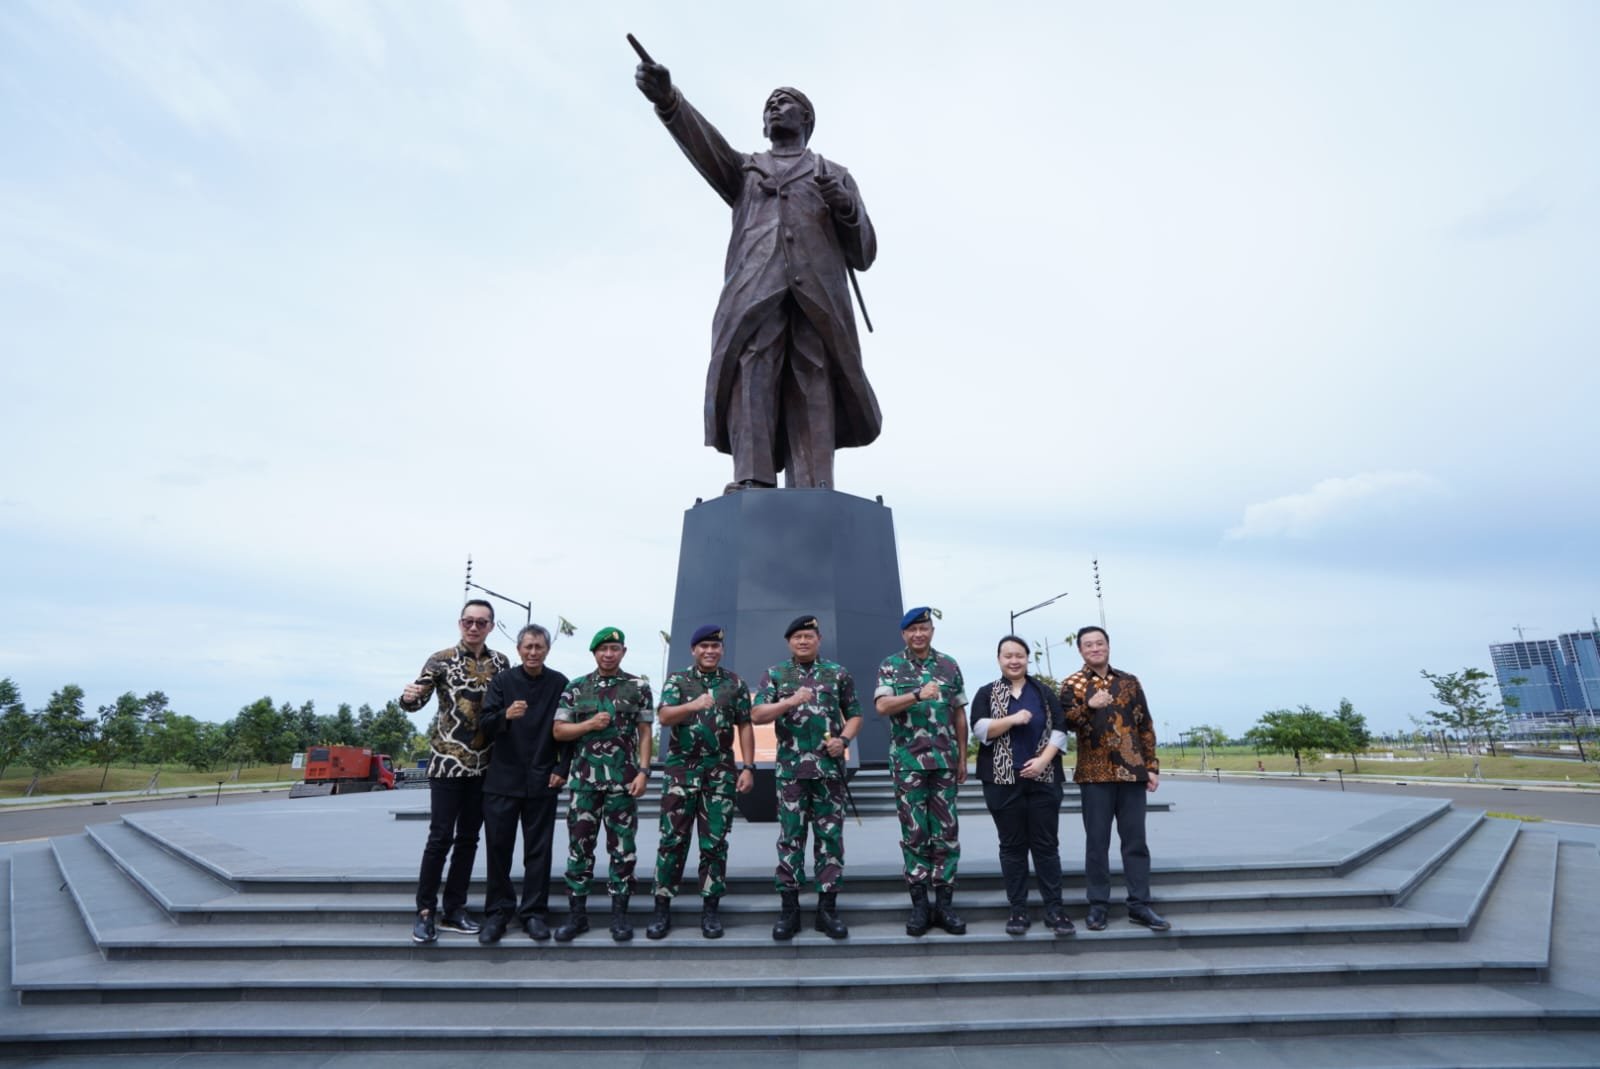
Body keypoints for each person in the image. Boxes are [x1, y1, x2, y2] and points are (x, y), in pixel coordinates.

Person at [635, 61, 880, 490]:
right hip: (755, 291)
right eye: (769, 104)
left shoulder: (834, 174)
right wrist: (669, 101)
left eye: (784, 102)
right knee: (753, 367)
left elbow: (864, 253)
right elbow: (704, 145)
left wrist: (845, 206)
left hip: (817, 298)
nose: (773, 107)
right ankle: (753, 478)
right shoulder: (746, 171)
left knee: (813, 373)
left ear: (806, 119)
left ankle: (813, 485)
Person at [399, 599, 510, 944]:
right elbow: (415, 702)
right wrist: (407, 697)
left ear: (491, 626)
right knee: (440, 838)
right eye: (468, 621)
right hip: (448, 761)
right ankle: (424, 911)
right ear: (460, 623)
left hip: (486, 763)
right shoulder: (441, 659)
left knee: (469, 840)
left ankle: (455, 908)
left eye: (481, 622)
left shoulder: (501, 662)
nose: (474, 627)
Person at [751, 615, 862, 939]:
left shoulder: (837, 674)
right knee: (790, 840)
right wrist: (789, 701)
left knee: (830, 842)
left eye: (808, 636)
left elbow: (855, 715)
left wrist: (843, 740)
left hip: (828, 773)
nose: (803, 641)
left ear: (819, 639)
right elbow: (757, 715)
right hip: (792, 774)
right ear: (789, 642)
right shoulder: (775, 674)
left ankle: (827, 910)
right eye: (797, 636)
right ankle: (790, 911)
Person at [647, 624, 756, 939]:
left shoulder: (734, 683)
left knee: (715, 843)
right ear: (693, 650)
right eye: (704, 646)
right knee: (672, 841)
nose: (710, 651)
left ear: (722, 650)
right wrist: (693, 705)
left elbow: (745, 726)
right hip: (681, 770)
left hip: (720, 771)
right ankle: (662, 908)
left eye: (715, 646)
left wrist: (748, 767)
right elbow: (665, 717)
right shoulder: (678, 681)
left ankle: (710, 910)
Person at [1060, 626, 1170, 932]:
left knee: (1135, 842)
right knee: (1097, 843)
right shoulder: (1073, 684)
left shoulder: (1129, 682)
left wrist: (1151, 766)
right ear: (1080, 650)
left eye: (1100, 643)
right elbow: (1065, 723)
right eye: (1088, 645)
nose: (1095, 649)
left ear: (1108, 646)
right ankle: (1098, 905)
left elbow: (1145, 725)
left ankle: (1139, 904)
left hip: (1131, 772)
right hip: (1094, 775)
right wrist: (1088, 706)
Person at [551, 628, 655, 942]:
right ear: (594, 653)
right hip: (584, 783)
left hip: (623, 782)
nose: (608, 654)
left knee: (623, 850)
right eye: (602, 649)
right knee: (579, 849)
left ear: (623, 651)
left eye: (614, 648)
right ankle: (577, 916)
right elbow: (558, 731)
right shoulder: (576, 687)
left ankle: (620, 916)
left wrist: (644, 772)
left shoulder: (638, 686)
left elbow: (646, 732)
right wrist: (588, 724)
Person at [970, 635, 1075, 936]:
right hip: (1002, 782)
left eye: (1019, 655)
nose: (1013, 660)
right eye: (1007, 656)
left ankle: (1056, 910)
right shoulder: (986, 693)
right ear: (999, 660)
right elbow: (980, 729)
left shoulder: (1043, 691)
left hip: (1043, 779)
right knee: (1012, 847)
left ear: (1027, 658)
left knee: (1046, 846)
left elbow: (1060, 728)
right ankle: (1018, 911)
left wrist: (1044, 761)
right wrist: (1013, 719)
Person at [874, 606, 969, 936]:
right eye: (912, 630)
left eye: (924, 628)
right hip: (908, 763)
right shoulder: (891, 665)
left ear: (931, 631)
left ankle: (944, 904)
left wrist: (961, 758)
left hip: (943, 762)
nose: (918, 634)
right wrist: (916, 694)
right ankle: (919, 905)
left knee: (946, 834)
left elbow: (958, 713)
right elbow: (882, 706)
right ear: (904, 634)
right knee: (915, 833)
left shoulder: (948, 665)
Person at [474, 624, 570, 944]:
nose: (532, 652)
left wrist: (563, 766)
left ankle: (534, 913)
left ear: (547, 650)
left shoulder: (559, 683)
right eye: (527, 647)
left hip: (543, 779)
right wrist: (505, 715)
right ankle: (498, 912)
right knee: (498, 850)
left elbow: (568, 730)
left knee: (538, 852)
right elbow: (484, 724)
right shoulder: (502, 682)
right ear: (518, 650)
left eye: (538, 647)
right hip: (502, 780)